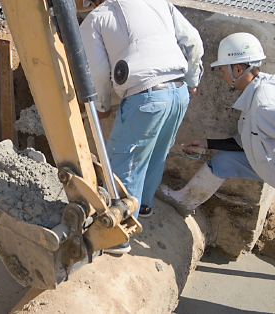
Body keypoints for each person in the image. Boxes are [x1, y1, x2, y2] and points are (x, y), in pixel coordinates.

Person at [158, 32, 275, 282]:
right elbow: (246, 141)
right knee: (224, 162)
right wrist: (206, 144)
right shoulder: (263, 89)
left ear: (238, 68)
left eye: (224, 70)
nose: (223, 75)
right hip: (272, 165)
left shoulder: (265, 104)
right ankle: (185, 201)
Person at [78, 0, 204, 254]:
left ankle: (118, 234)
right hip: (178, 92)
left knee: (125, 161)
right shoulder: (155, 2)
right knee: (157, 151)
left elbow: (98, 71)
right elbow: (193, 40)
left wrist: (102, 105)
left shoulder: (96, 19)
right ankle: (144, 206)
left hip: (145, 97)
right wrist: (192, 79)